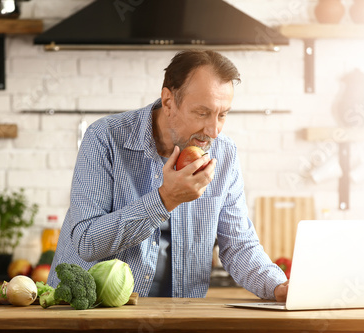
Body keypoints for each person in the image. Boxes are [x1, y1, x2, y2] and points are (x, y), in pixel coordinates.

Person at [48, 50, 289, 301]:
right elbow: (86, 241)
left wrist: (278, 286)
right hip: (91, 312)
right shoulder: (105, 138)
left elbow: (238, 245)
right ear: (168, 102)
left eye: (222, 114)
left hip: (177, 316)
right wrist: (165, 199)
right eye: (202, 113)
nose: (214, 131)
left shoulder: (224, 153)